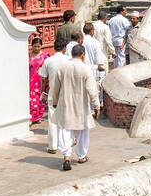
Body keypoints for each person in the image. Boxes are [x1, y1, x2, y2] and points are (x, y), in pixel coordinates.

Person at [49, 43, 101, 171]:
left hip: (65, 105)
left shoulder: (62, 68)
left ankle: (66, 157)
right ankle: (82, 156)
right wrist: (96, 106)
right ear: (83, 55)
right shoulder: (85, 69)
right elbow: (91, 90)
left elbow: (55, 88)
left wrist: (54, 101)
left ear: (72, 54)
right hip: (80, 106)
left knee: (65, 131)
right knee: (83, 131)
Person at [40, 35, 70, 152]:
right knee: (67, 119)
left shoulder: (48, 61)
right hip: (66, 94)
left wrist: (43, 93)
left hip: (52, 94)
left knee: (52, 120)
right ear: (64, 48)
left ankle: (53, 146)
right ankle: (68, 142)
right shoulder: (68, 60)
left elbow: (43, 79)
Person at [82, 22, 106, 102]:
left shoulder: (81, 41)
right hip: (93, 71)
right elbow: (99, 60)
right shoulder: (95, 42)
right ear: (92, 31)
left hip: (82, 70)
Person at [28, 36, 49, 124]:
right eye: (35, 46)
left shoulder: (44, 56)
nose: (36, 48)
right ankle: (31, 116)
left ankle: (37, 116)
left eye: (38, 46)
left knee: (37, 98)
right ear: (31, 46)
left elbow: (48, 68)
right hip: (29, 80)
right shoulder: (27, 55)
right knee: (30, 98)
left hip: (39, 81)